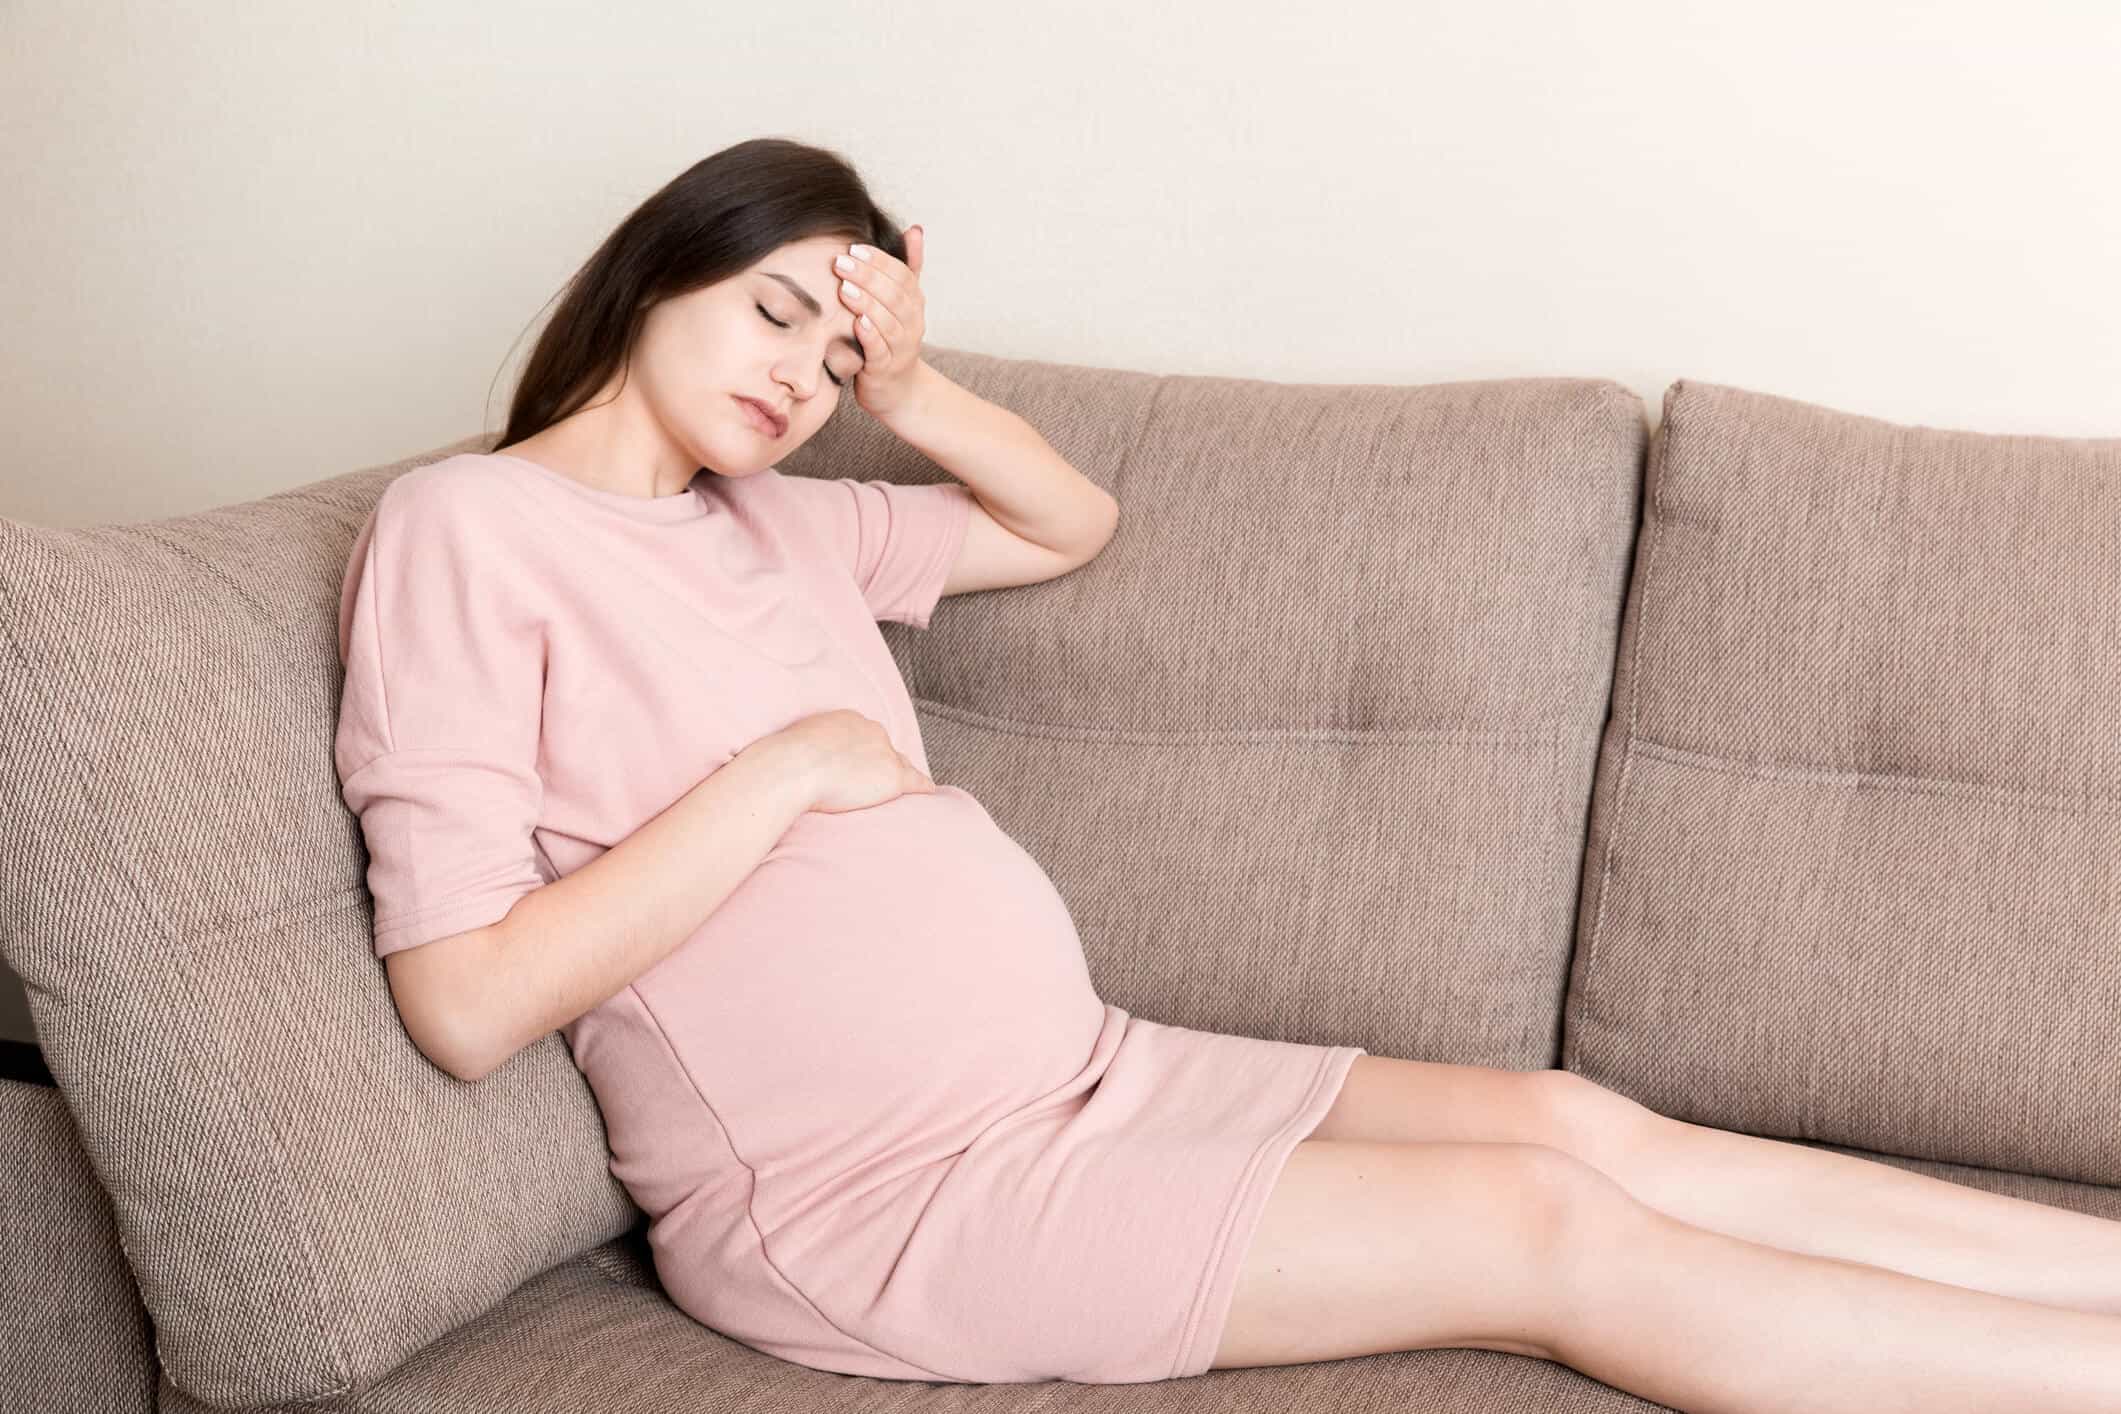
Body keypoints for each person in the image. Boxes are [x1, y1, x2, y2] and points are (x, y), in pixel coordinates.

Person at [334, 137, 2121, 1407]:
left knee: (1577, 1122)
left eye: (836, 348)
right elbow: (465, 1001)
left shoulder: (777, 521)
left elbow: (1065, 520)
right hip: (877, 1198)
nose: (802, 375)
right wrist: (790, 767)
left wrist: (918, 382)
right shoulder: (469, 527)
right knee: (1541, 1224)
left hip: (1091, 1075)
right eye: (775, 312)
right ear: (658, 272)